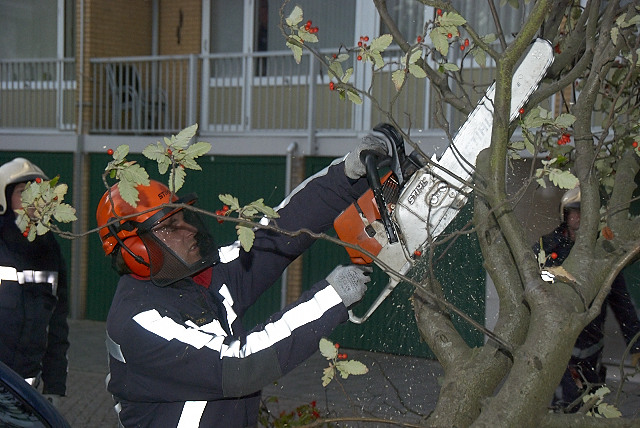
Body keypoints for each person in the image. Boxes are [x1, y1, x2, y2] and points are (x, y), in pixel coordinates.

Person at [96, 135, 389, 427]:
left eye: (182, 217)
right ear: (135, 248)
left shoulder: (201, 275)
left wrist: (348, 175)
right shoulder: (138, 319)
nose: (188, 229)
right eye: (170, 227)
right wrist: (330, 300)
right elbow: (241, 365)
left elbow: (277, 234)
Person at [534, 186, 640, 411]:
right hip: (557, 342)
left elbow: (622, 304)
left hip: (591, 346)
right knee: (566, 403)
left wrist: (636, 346)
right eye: (575, 212)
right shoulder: (547, 247)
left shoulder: (602, 254)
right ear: (565, 214)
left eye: (585, 212)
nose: (579, 218)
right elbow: (533, 285)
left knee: (591, 404)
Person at [0, 157, 70, 407]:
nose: (32, 200)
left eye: (37, 192)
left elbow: (57, 327)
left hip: (27, 396)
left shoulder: (50, 252)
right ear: (3, 198)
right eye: (22, 192)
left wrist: (55, 387)